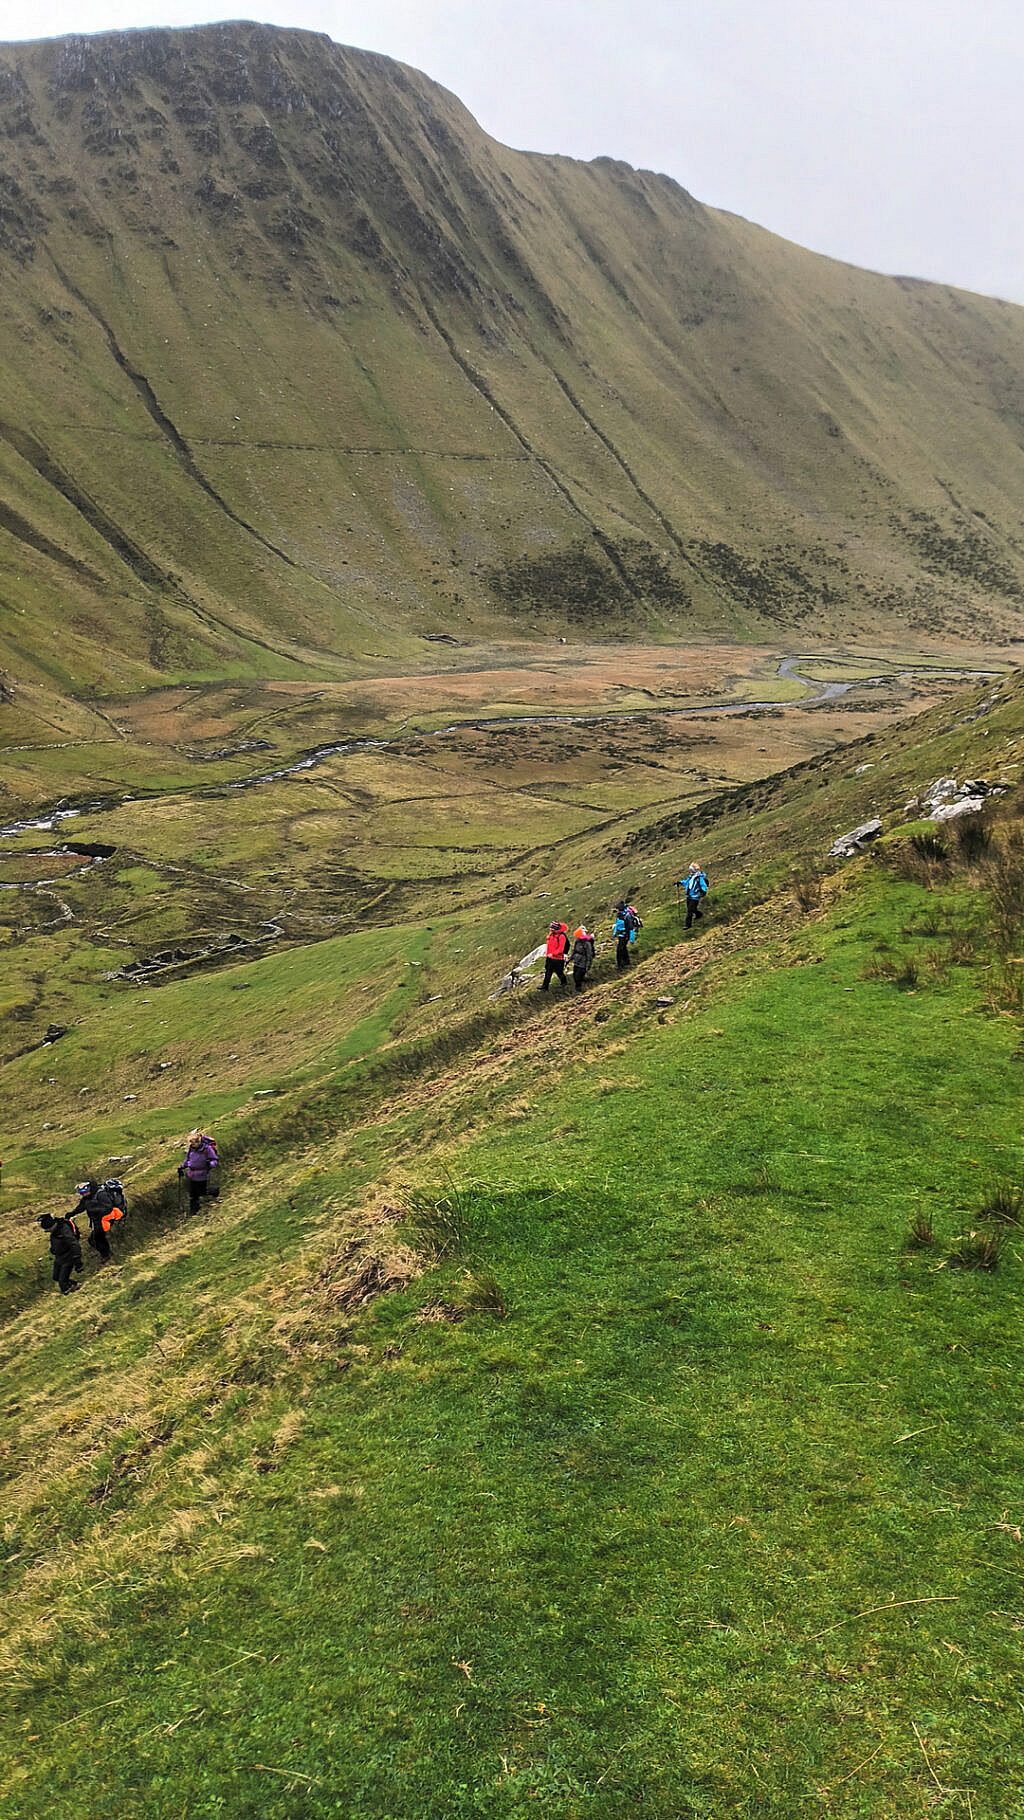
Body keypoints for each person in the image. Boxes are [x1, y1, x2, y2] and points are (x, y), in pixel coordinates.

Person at [71, 1179, 126, 1264]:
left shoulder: (101, 1194)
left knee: (97, 1238)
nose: (83, 1195)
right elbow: (81, 1207)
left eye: (84, 1193)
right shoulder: (87, 1197)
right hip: (97, 1220)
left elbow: (108, 1208)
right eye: (81, 1193)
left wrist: (94, 1210)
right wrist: (71, 1213)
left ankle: (106, 1255)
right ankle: (106, 1253)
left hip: (106, 1219)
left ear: (89, 1189)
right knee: (93, 1239)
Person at [39, 1212, 82, 1295]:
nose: (48, 1231)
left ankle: (69, 1293)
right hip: (59, 1257)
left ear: (52, 1225)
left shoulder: (64, 1230)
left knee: (62, 1282)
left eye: (48, 1229)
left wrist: (77, 1260)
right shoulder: (55, 1231)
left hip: (69, 1256)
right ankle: (74, 1285)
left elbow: (74, 1244)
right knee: (56, 1277)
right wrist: (53, 1250)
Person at [179, 1129, 219, 1215]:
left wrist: (210, 1164)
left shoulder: (207, 1149)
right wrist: (181, 1167)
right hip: (191, 1175)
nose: (191, 1144)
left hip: (202, 1175)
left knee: (202, 1192)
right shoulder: (191, 1149)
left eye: (193, 1142)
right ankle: (194, 1211)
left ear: (198, 1141)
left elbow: (214, 1160)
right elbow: (188, 1160)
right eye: (190, 1142)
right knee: (193, 1194)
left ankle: (214, 1191)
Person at [540, 922, 570, 993]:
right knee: (548, 972)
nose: (550, 929)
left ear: (556, 929)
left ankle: (564, 983)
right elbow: (549, 941)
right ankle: (545, 986)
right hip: (550, 957)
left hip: (558, 959)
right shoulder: (552, 934)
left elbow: (561, 949)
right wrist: (549, 935)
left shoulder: (561, 936)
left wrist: (553, 954)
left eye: (552, 928)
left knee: (559, 972)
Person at [613, 901, 640, 971]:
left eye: (617, 909)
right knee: (623, 948)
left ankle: (620, 966)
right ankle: (626, 962)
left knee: (619, 950)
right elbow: (617, 925)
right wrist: (615, 933)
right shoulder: (619, 915)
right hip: (621, 934)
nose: (616, 911)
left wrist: (631, 939)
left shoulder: (627, 916)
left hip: (625, 935)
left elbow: (631, 928)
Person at [681, 863, 709, 929]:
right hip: (689, 896)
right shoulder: (691, 877)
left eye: (691, 870)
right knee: (692, 909)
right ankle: (699, 914)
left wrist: (702, 890)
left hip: (695, 897)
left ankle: (688, 925)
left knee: (689, 911)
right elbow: (687, 882)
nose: (690, 871)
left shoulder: (699, 878)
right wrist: (680, 882)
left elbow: (703, 885)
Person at [570, 925, 596, 992]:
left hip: (583, 962)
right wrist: (570, 958)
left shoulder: (587, 944)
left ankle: (579, 990)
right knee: (575, 976)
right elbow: (574, 951)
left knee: (578, 977)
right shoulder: (577, 941)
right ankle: (588, 982)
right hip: (577, 961)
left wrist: (588, 965)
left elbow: (589, 955)